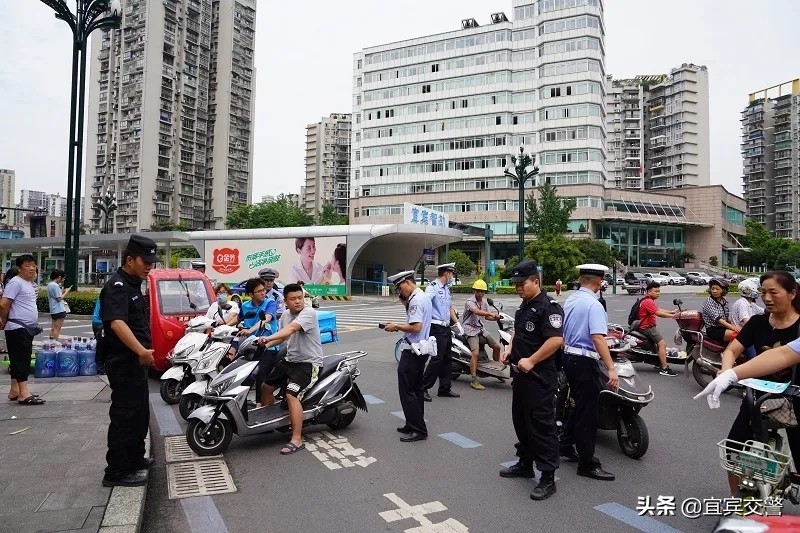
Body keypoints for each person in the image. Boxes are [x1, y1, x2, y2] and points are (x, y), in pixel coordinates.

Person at [694, 271, 800, 495]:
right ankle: (738, 502)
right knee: (733, 451)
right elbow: (733, 349)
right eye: (763, 292)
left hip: (794, 396)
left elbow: (782, 356)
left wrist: (732, 375)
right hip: (758, 395)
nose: (767, 298)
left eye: (774, 292)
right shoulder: (758, 322)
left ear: (792, 293)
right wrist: (725, 372)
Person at [498, 260, 564, 501]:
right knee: (522, 421)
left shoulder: (549, 307)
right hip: (521, 376)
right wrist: (509, 350)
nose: (518, 288)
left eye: (521, 284)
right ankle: (525, 463)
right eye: (515, 284)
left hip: (539, 378)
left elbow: (555, 341)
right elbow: (519, 332)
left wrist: (532, 360)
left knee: (542, 426)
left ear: (536, 281)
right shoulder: (524, 306)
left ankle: (547, 478)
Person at [100, 235, 159, 487]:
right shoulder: (117, 286)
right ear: (129, 260)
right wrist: (140, 351)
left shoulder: (134, 284)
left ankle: (135, 458)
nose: (149, 266)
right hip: (124, 362)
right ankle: (116, 471)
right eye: (145, 261)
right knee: (125, 416)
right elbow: (116, 322)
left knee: (139, 413)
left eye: (151, 262)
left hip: (136, 363)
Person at [559, 264, 619, 482]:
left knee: (578, 404)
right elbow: (598, 338)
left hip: (570, 358)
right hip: (585, 360)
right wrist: (611, 367)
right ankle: (587, 463)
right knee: (588, 413)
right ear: (598, 282)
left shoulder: (572, 300)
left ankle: (565, 444)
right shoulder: (594, 305)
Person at [258, 283, 324, 455]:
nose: (298, 302)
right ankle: (269, 423)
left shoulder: (308, 313)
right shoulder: (286, 315)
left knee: (291, 394)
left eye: (300, 298)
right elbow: (282, 337)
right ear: (285, 301)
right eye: (293, 299)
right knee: (266, 387)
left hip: (309, 363)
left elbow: (292, 329)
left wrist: (268, 338)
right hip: (290, 360)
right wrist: (263, 343)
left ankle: (296, 439)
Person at [383, 270, 433, 442]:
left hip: (413, 350)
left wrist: (395, 326)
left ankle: (418, 429)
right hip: (421, 350)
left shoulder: (416, 301)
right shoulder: (421, 296)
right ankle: (413, 423)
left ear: (407, 282)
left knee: (407, 391)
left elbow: (416, 327)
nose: (399, 292)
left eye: (399, 287)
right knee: (417, 389)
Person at [1, 255, 44, 405]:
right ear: (19, 268)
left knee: (18, 358)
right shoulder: (16, 283)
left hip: (25, 328)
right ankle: (23, 393)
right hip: (17, 327)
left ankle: (15, 390)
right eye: (28, 265)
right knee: (21, 360)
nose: (32, 268)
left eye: (34, 265)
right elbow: (4, 304)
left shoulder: (28, 283)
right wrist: (4, 320)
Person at [422, 263, 462, 401]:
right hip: (436, 327)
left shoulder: (446, 289)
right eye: (451, 274)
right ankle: (423, 387)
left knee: (447, 359)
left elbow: (449, 307)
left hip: (445, 327)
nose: (452, 276)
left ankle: (444, 388)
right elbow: (425, 303)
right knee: (437, 359)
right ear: (446, 273)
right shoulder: (433, 287)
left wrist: (456, 322)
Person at [238, 278, 279, 406]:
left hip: (268, 346)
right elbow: (238, 319)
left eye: (264, 290)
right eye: (259, 291)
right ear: (250, 294)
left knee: (260, 371)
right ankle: (239, 402)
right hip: (250, 346)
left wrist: (250, 330)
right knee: (238, 371)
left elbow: (267, 318)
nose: (263, 293)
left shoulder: (270, 302)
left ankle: (259, 403)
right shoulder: (245, 306)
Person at [462, 279, 502, 391]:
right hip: (470, 329)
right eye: (478, 291)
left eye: (482, 291)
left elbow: (486, 317)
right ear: (474, 291)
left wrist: (496, 318)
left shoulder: (484, 302)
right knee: (475, 353)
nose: (480, 293)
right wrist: (490, 313)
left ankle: (496, 370)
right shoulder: (469, 302)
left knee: (497, 347)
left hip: (480, 329)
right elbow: (476, 312)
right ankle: (474, 380)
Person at [634, 281, 679, 376]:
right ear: (649, 292)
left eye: (659, 291)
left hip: (647, 326)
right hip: (647, 327)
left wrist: (672, 312)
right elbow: (658, 313)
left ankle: (658, 363)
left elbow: (658, 310)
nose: (658, 293)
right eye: (656, 291)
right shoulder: (648, 301)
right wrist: (674, 316)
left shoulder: (648, 300)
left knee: (658, 345)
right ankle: (664, 368)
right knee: (662, 344)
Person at [730, 278, 764, 360]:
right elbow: (746, 321)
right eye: (756, 289)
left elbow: (763, 311)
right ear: (748, 290)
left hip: (747, 331)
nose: (758, 291)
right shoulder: (742, 303)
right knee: (754, 357)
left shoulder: (750, 303)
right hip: (742, 333)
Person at [701, 278, 738, 342]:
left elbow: (726, 317)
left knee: (744, 334)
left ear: (723, 290)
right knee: (736, 336)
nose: (714, 291)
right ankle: (727, 352)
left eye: (717, 289)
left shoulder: (724, 301)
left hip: (723, 327)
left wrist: (736, 325)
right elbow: (718, 319)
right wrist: (733, 328)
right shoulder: (709, 301)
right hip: (713, 330)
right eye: (713, 289)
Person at [46, 269, 71, 341]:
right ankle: (55, 344)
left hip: (53, 309)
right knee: (57, 329)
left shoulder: (49, 284)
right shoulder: (56, 285)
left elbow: (55, 296)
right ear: (59, 277)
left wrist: (62, 292)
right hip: (59, 309)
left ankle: (50, 344)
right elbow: (59, 299)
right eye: (63, 278)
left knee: (53, 328)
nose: (63, 280)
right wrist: (66, 292)